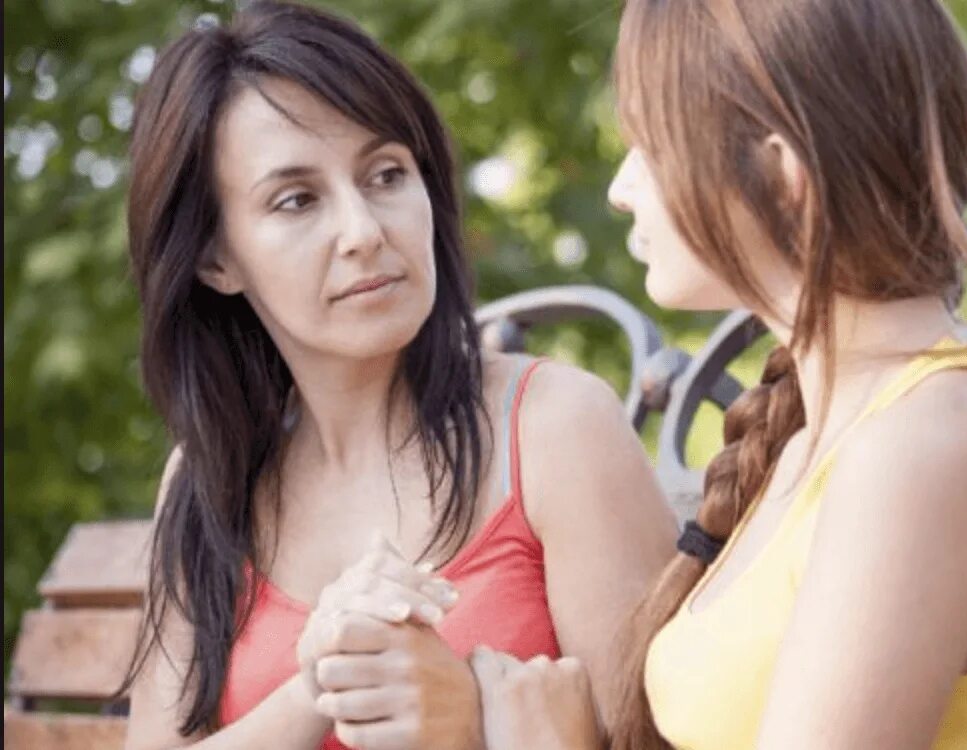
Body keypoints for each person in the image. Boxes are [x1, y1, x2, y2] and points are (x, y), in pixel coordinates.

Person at [470, 1, 967, 748]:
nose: (622, 188)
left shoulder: (930, 446)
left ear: (780, 171)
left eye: (650, 146)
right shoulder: (819, 434)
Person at [118, 2, 677, 748]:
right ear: (216, 259)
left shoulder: (554, 427)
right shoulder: (207, 480)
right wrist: (319, 686)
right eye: (297, 200)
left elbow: (652, 738)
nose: (364, 231)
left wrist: (470, 721)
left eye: (385, 174)